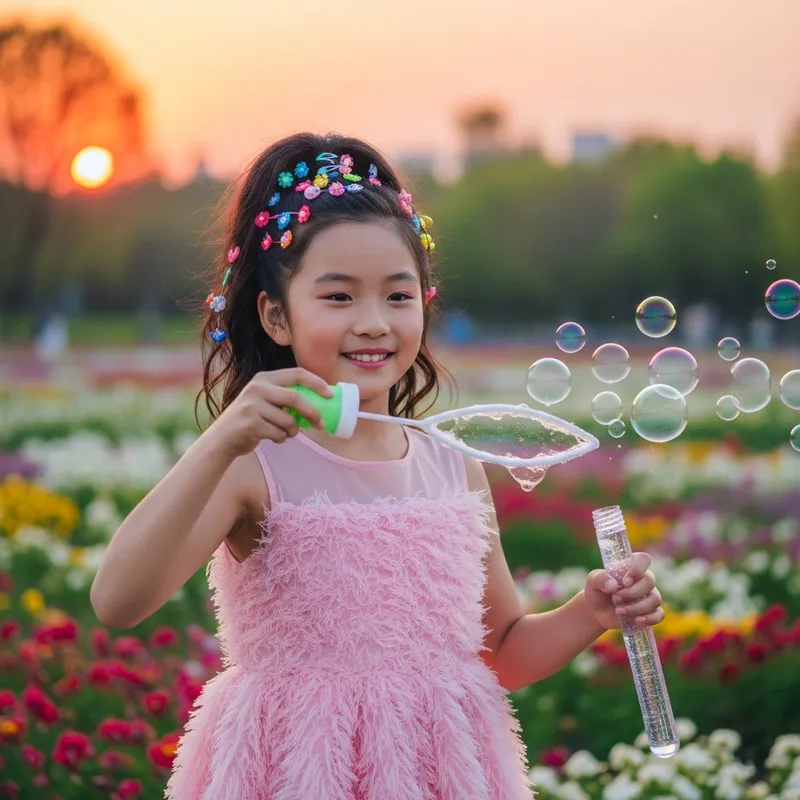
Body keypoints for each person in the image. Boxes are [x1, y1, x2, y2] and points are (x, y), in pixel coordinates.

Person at [90, 132, 666, 799]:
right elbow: (116, 601)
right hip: (297, 770)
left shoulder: (452, 466)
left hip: (438, 770)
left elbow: (501, 651)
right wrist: (221, 440)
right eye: (338, 298)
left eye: (398, 296)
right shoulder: (257, 464)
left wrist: (589, 612)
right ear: (277, 316)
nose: (373, 323)